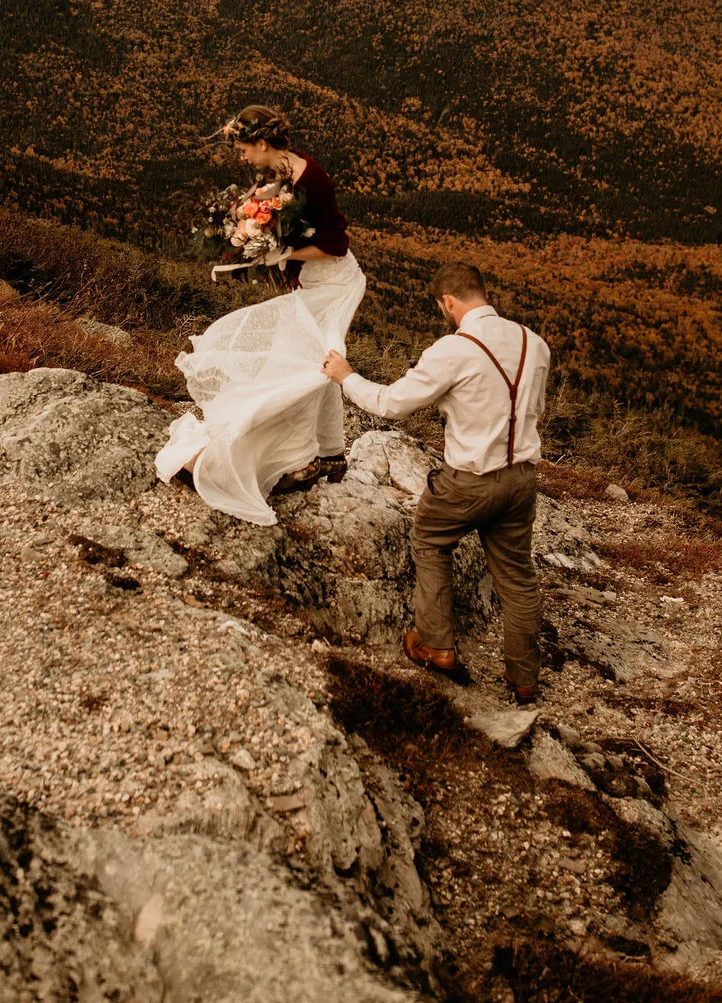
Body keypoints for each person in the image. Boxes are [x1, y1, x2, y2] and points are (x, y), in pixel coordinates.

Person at [321, 261, 548, 705]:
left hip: (469, 480)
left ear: (447, 303)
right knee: (518, 578)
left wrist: (346, 377)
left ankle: (438, 645)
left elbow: (391, 404)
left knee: (429, 538)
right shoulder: (534, 344)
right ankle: (525, 681)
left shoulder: (452, 350)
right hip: (522, 479)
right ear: (483, 292)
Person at [155, 105, 365, 524]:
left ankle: (296, 457)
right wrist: (244, 220)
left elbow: (335, 246)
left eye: (244, 148)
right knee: (318, 366)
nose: (241, 157)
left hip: (335, 285)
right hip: (310, 284)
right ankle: (329, 455)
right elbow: (270, 205)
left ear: (263, 144)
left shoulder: (314, 182)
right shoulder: (282, 171)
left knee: (304, 366)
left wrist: (277, 254)